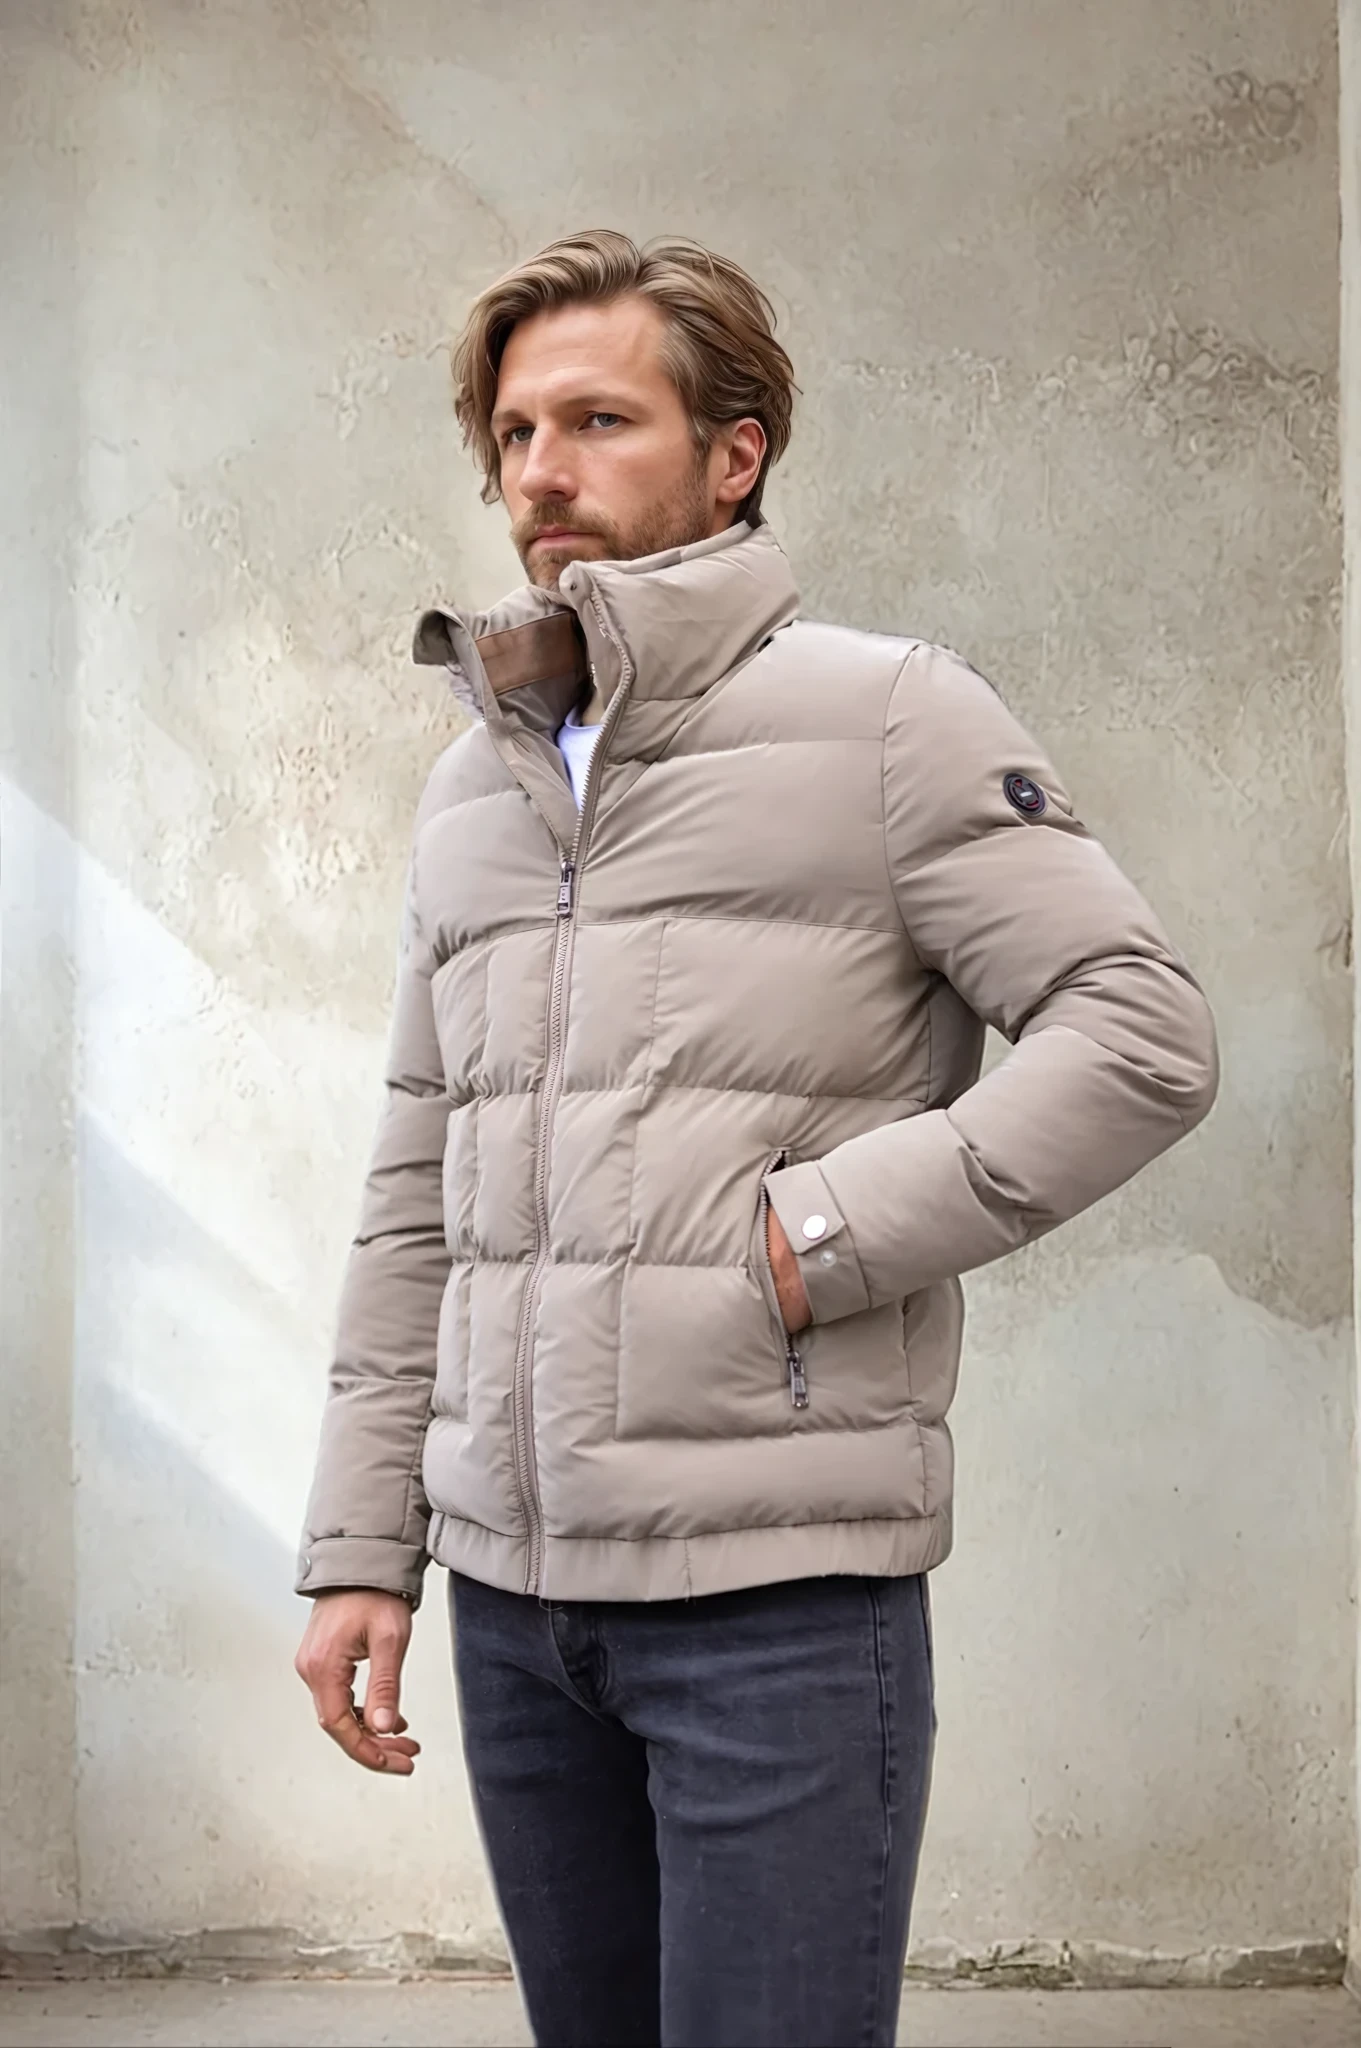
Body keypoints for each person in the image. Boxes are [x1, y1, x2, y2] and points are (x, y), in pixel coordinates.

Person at [294, 229, 1218, 2048]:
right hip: (513, 1614)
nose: (540, 469)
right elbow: (417, 1194)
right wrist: (358, 1549)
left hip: (777, 1603)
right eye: (514, 432)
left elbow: (1140, 1029)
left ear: (736, 454)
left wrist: (818, 1236)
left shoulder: (891, 719)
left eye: (598, 420)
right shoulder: (473, 785)